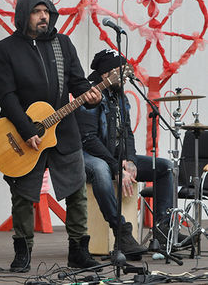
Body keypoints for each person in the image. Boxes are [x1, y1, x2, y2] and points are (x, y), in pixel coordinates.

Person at [0, 0, 102, 272]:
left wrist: (90, 94)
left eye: (47, 11)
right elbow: (6, 95)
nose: (44, 16)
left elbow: (77, 83)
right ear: (24, 15)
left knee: (76, 190)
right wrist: (27, 128)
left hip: (64, 131)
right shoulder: (6, 48)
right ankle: (23, 251)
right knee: (23, 194)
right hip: (23, 131)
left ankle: (79, 250)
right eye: (37, 11)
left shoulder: (62, 43)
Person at [75, 49, 187, 260]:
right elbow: (88, 139)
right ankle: (122, 233)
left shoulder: (120, 96)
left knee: (166, 167)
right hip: (89, 155)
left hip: (113, 156)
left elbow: (127, 133)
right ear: (105, 75)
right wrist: (116, 166)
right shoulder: (91, 95)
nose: (125, 76)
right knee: (100, 170)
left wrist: (132, 161)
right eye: (120, 71)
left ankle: (164, 230)